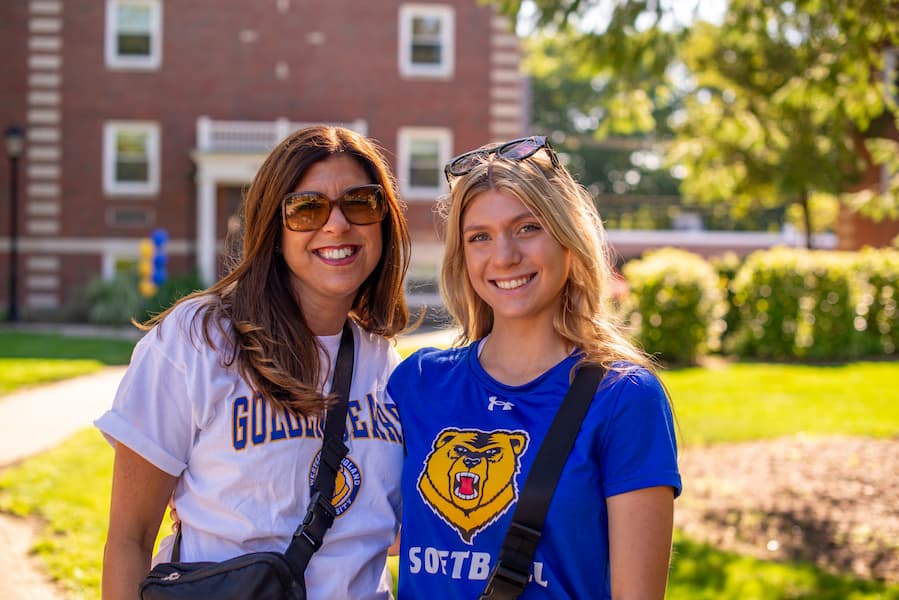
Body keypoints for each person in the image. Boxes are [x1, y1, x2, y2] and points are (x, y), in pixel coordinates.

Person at [95, 125, 411, 599]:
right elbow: (129, 538)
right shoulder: (198, 340)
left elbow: (380, 533)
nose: (337, 225)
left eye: (361, 203)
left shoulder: (385, 363)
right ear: (272, 227)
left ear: (384, 221)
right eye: (307, 209)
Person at [387, 136, 682, 599]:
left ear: (568, 239)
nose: (503, 256)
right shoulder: (418, 382)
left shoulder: (625, 398)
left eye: (527, 228)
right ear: (462, 258)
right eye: (479, 236)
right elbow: (369, 530)